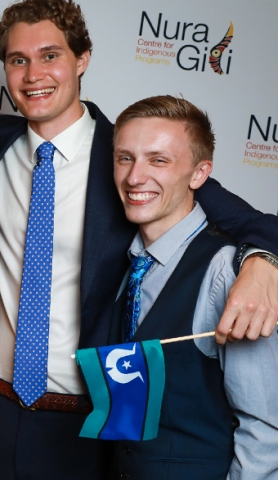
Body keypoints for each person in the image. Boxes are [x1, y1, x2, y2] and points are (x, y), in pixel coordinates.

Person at [0, 1, 278, 478]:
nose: (32, 75)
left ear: (82, 59)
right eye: (17, 60)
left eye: (50, 56)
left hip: (86, 418)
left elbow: (256, 222)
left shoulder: (129, 156)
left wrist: (261, 263)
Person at [108, 95, 278, 479]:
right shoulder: (128, 260)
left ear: (200, 174)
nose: (135, 177)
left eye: (159, 160)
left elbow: (265, 430)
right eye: (125, 158)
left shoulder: (226, 273)